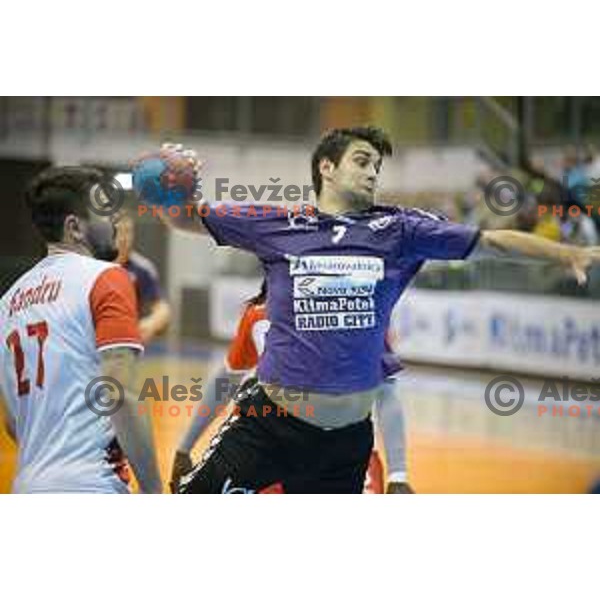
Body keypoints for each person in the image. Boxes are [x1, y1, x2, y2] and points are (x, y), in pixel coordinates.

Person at [136, 129, 600, 494]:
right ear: (327, 167)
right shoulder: (275, 222)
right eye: (362, 161)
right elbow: (185, 218)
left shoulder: (400, 229)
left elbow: (492, 244)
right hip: (268, 428)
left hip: (346, 443)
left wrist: (565, 255)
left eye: (377, 165)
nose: (373, 172)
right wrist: (164, 188)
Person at [0, 167, 162, 493]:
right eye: (103, 212)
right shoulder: (106, 278)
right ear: (74, 227)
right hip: (92, 484)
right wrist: (153, 490)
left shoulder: (7, 303)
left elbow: (12, 422)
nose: (115, 221)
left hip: (27, 486)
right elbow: (121, 395)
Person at [170, 280, 412, 494]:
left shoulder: (359, 316)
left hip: (344, 454)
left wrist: (398, 475)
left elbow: (387, 392)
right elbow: (227, 379)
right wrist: (184, 448)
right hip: (271, 446)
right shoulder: (259, 316)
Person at [115, 213, 171, 344]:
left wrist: (151, 323)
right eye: (118, 231)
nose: (123, 238)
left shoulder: (143, 269)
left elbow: (163, 309)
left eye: (128, 231)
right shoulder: (94, 263)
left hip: (125, 344)